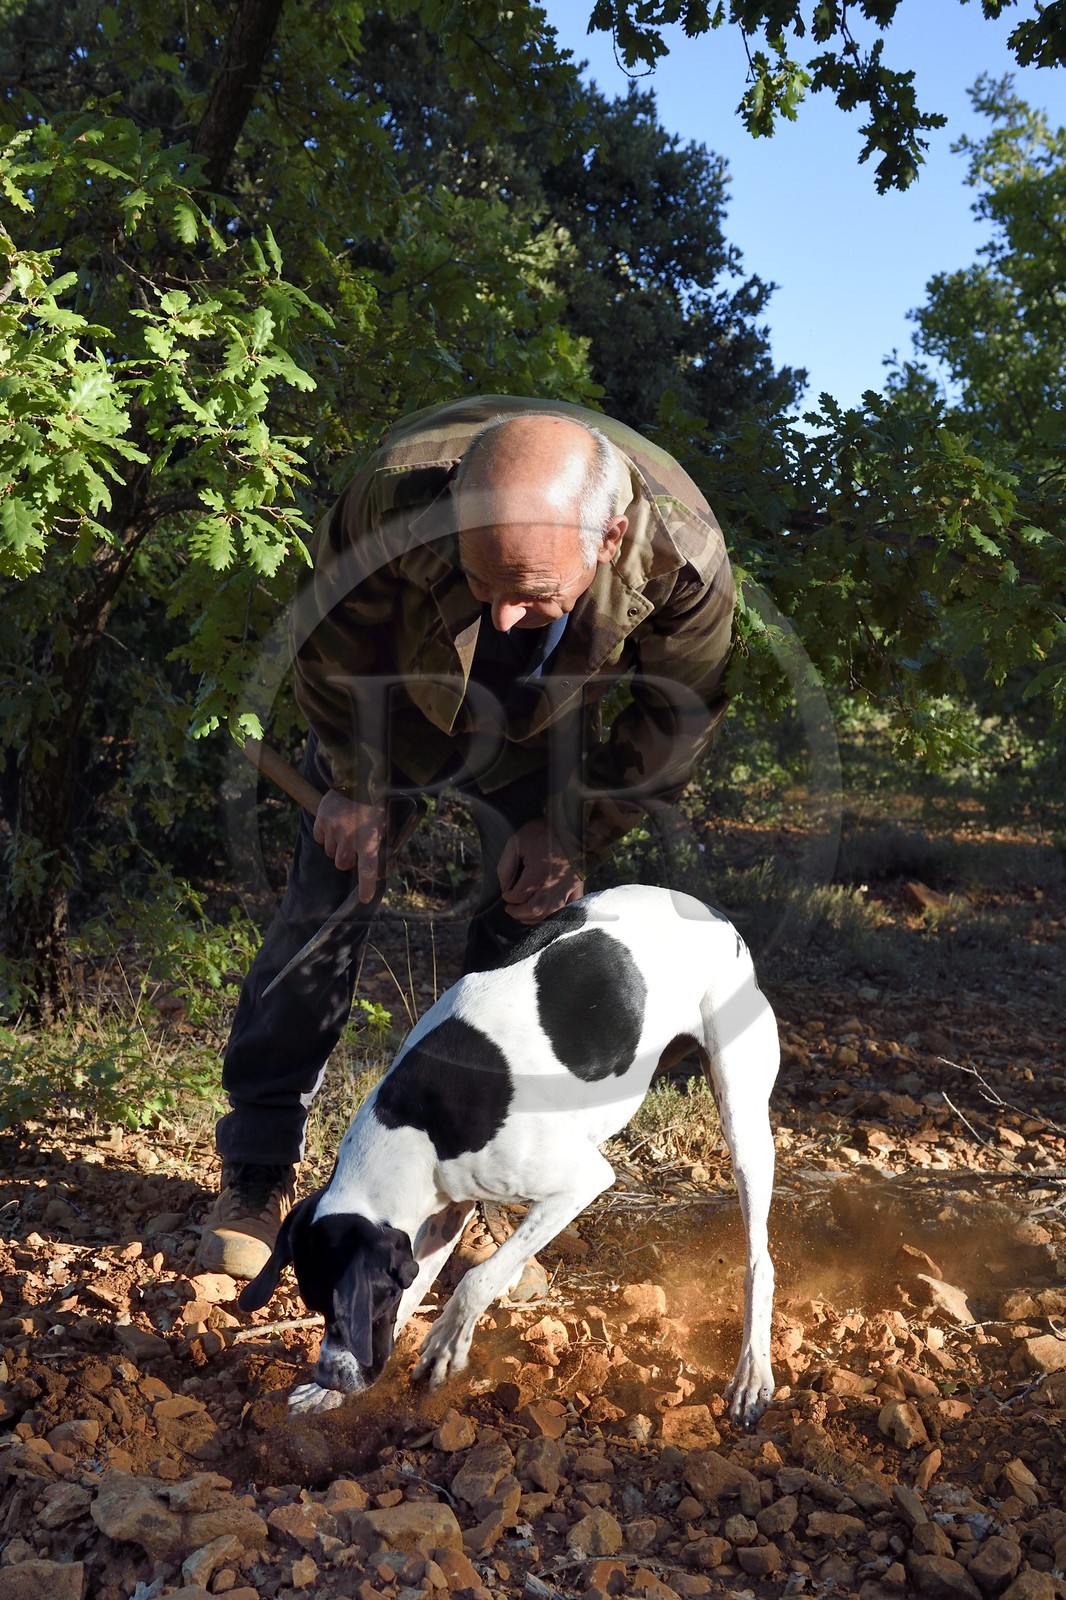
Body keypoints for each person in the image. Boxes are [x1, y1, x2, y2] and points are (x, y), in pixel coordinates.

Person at [197, 394, 735, 1277]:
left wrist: (573, 828)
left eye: (533, 592)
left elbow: (676, 720)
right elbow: (330, 646)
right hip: (394, 702)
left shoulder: (688, 559)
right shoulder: (394, 497)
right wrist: (354, 786)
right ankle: (255, 1168)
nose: (502, 619)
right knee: (324, 905)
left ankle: (470, 1191)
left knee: (522, 944)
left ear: (608, 542)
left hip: (546, 734)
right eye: (482, 583)